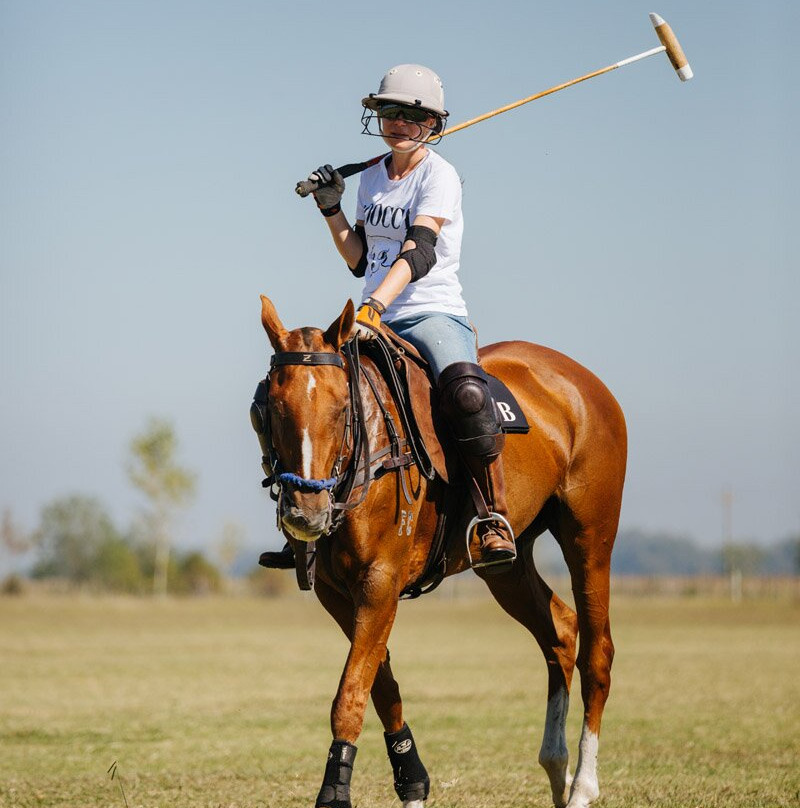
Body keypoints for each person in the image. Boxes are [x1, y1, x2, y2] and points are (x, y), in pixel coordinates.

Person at [260, 64, 515, 570]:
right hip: (371, 320)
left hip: (430, 311)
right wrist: (330, 209)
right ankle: (304, 522)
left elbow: (419, 253)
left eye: (411, 115)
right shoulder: (373, 177)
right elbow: (360, 258)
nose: (398, 122)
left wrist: (375, 306)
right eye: (390, 112)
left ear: (432, 124)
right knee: (306, 397)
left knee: (467, 394)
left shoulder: (439, 177)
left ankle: (492, 517)